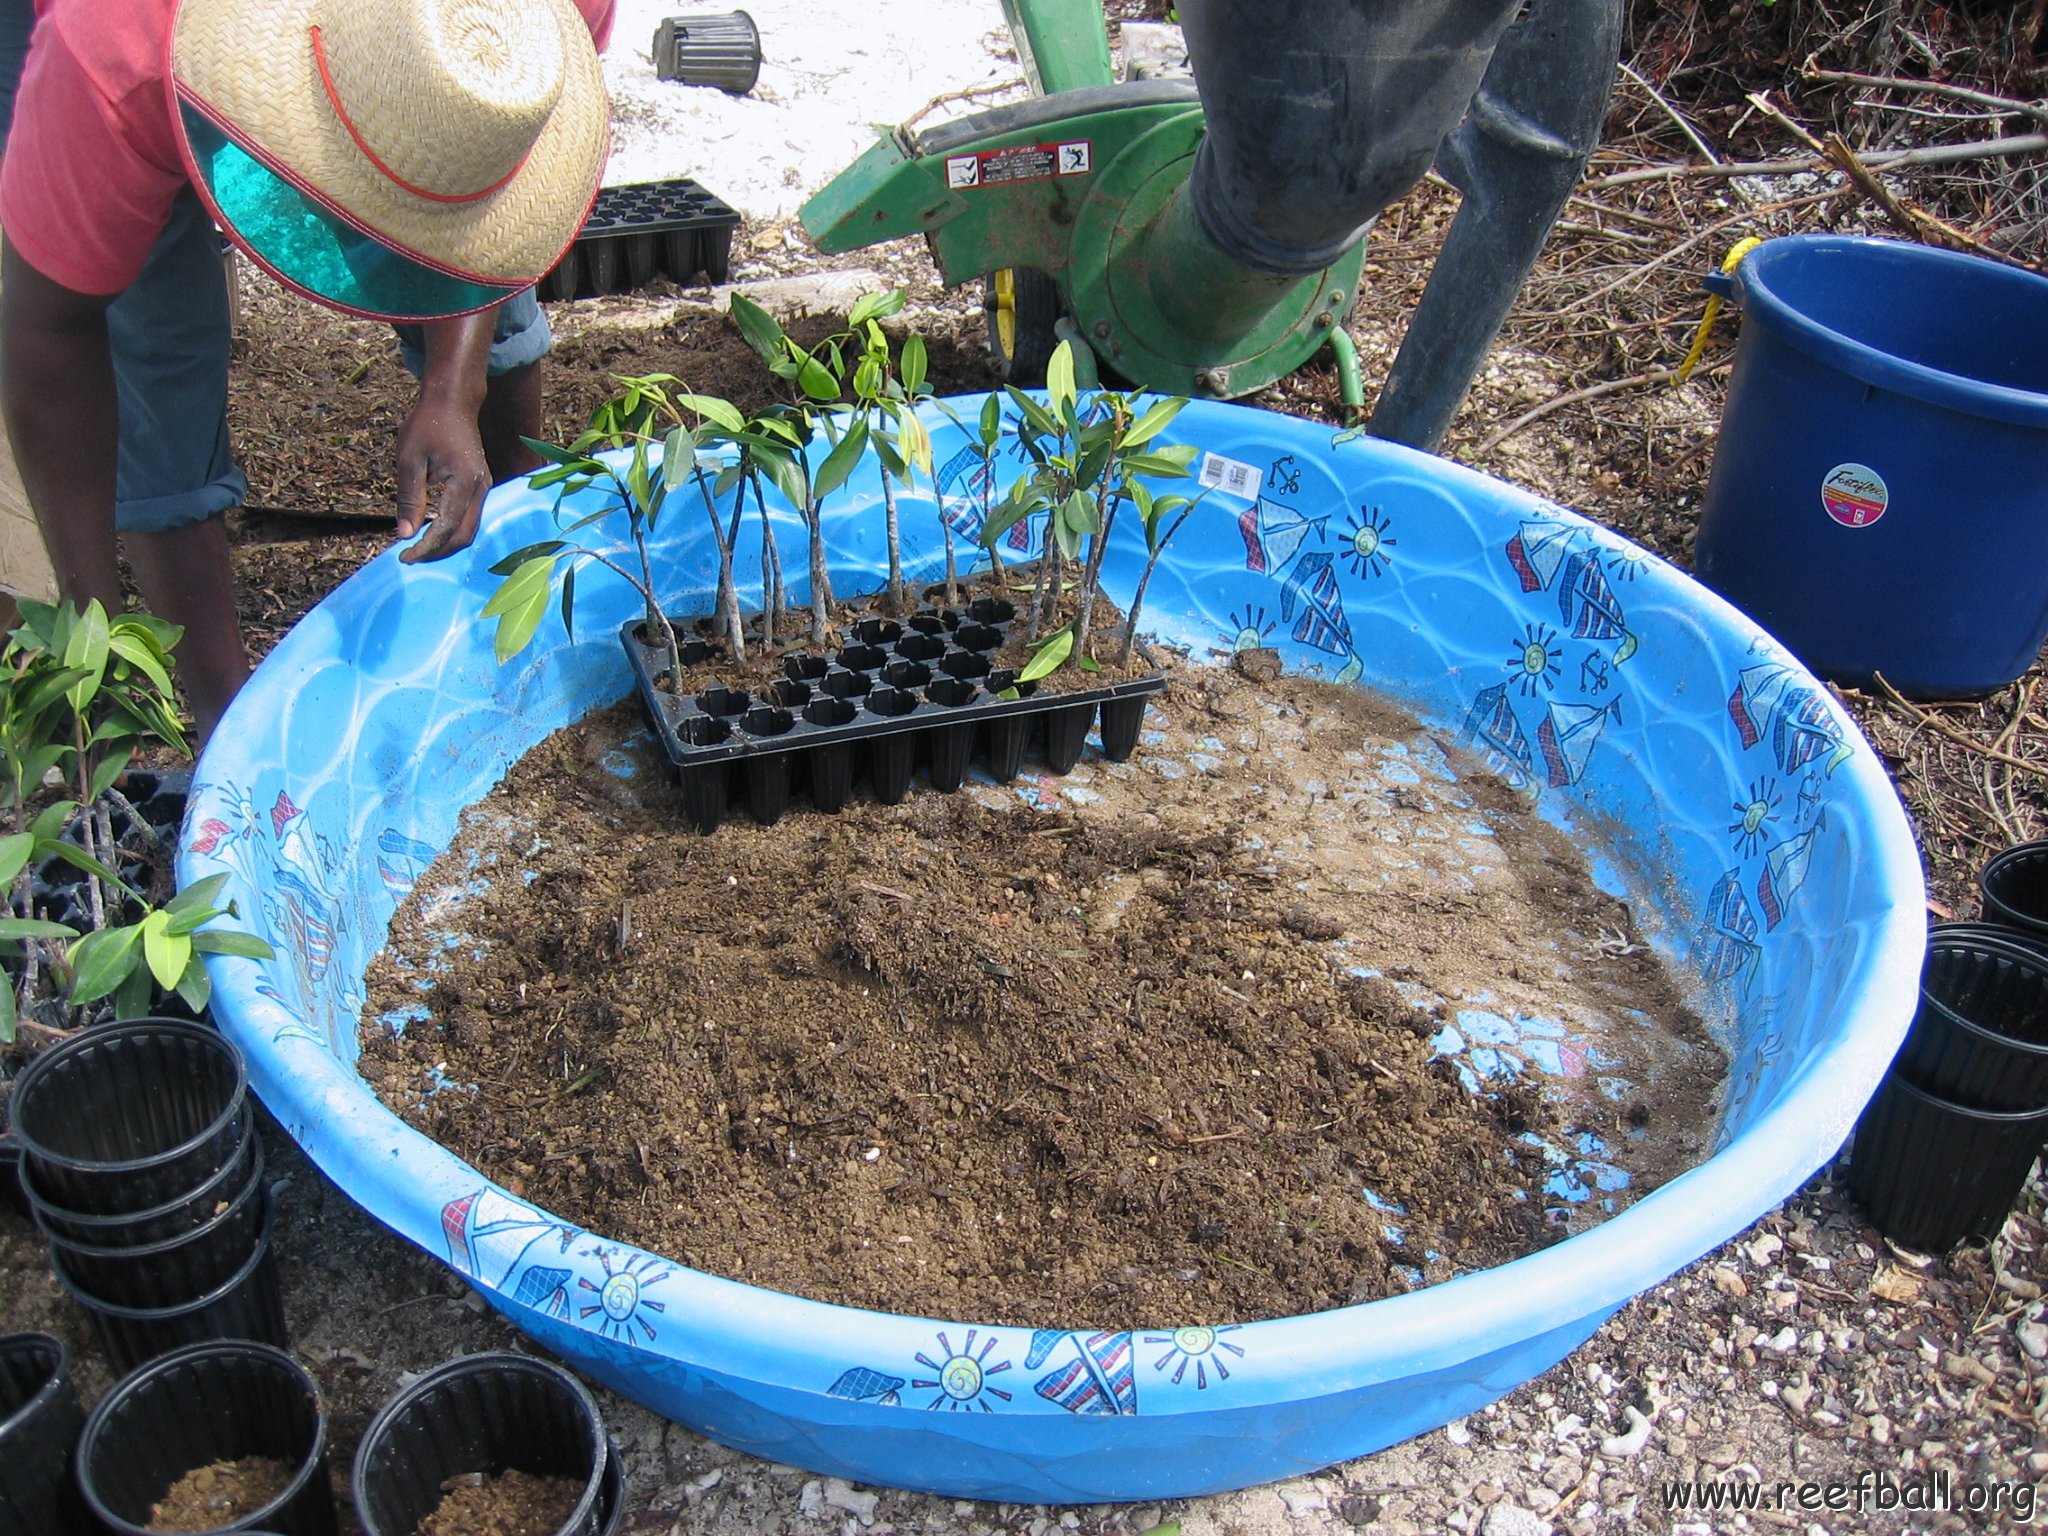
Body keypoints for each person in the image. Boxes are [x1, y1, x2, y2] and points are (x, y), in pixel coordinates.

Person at [0, 0, 614, 740]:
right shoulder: (116, 55)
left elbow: (499, 200)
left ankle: (517, 596)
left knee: (475, 245)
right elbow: (52, 330)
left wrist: (455, 386)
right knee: (153, 349)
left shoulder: (536, 34)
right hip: (134, 73)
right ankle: (227, 728)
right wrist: (87, 639)